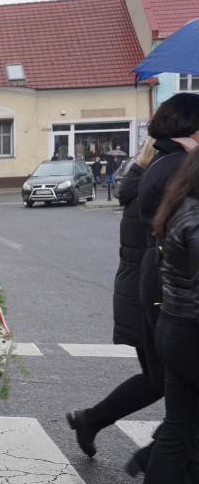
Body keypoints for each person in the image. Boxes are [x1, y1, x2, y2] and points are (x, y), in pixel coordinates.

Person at [67, 141, 168, 460]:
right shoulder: (155, 188)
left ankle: (93, 420)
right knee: (164, 378)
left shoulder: (142, 182)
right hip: (151, 297)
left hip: (141, 293)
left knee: (160, 378)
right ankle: (167, 453)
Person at [134, 146, 199, 484]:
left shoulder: (182, 208)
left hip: (176, 330)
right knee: (180, 431)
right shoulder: (195, 221)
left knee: (178, 431)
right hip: (191, 334)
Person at [130, 93, 199, 476]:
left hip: (162, 286)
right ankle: (163, 461)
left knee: (180, 400)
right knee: (179, 398)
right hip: (174, 295)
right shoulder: (178, 165)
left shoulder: (166, 160)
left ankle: (166, 465)